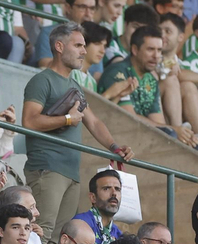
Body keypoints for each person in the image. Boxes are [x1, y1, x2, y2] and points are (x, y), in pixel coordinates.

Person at [22, 21, 131, 227]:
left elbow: (94, 122)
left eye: (84, 46)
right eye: (78, 46)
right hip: (47, 168)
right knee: (42, 231)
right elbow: (29, 121)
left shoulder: (74, 85)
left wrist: (115, 147)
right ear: (59, 47)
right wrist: (67, 120)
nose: (84, 51)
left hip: (71, 171)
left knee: (61, 237)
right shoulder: (42, 80)